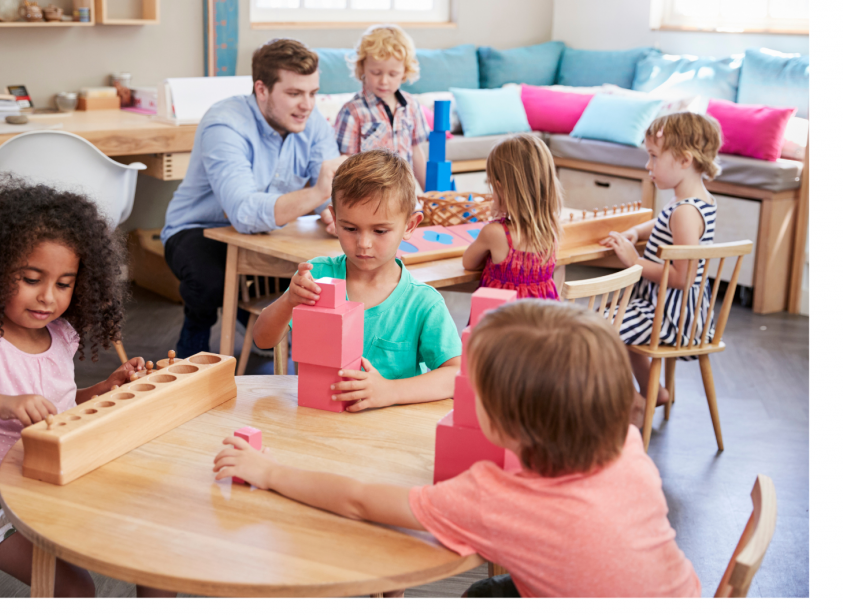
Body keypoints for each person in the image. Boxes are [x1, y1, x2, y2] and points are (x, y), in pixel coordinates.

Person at [214, 300, 701, 598]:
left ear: (504, 421)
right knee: (489, 589)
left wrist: (269, 471)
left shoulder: (497, 499)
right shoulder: (626, 446)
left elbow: (360, 500)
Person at [0, 183, 173, 598]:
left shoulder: (60, 334)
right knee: (75, 590)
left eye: (65, 283)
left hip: (62, 480)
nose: (48, 297)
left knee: (157, 551)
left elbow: (61, 407)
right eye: (32, 279)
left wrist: (105, 388)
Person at [162, 39, 346, 358]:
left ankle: (265, 325)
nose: (307, 105)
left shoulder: (312, 123)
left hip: (270, 229)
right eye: (294, 93)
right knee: (211, 280)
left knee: (329, 261)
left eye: (313, 93)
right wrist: (319, 193)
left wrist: (333, 213)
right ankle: (196, 332)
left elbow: (328, 190)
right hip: (197, 228)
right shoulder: (225, 123)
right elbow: (245, 213)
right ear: (261, 90)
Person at [251, 150, 462, 411]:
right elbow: (262, 340)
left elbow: (456, 374)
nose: (363, 243)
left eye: (380, 230)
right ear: (334, 219)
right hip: (317, 421)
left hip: (388, 433)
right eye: (350, 229)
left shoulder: (423, 302)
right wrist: (289, 301)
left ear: (410, 225)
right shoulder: (316, 277)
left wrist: (391, 390)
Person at [600, 112, 721, 427]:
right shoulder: (690, 201)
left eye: (654, 157)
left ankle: (635, 401)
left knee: (597, 329)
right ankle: (652, 390)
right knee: (604, 319)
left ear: (683, 159)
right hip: (666, 308)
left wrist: (634, 261)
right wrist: (636, 233)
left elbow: (683, 278)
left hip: (671, 316)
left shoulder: (685, 212)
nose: (647, 166)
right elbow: (661, 222)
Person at [461, 134, 563, 300]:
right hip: (541, 323)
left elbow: (468, 263)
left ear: (500, 188)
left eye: (492, 186)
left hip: (501, 323)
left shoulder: (495, 233)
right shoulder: (551, 230)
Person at [333, 24, 431, 188]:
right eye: (376, 72)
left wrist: (430, 193)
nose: (384, 81)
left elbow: (416, 152)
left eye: (393, 74)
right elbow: (344, 164)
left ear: (405, 72)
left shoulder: (412, 105)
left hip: (404, 194)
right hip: (367, 194)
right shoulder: (352, 111)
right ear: (362, 67)